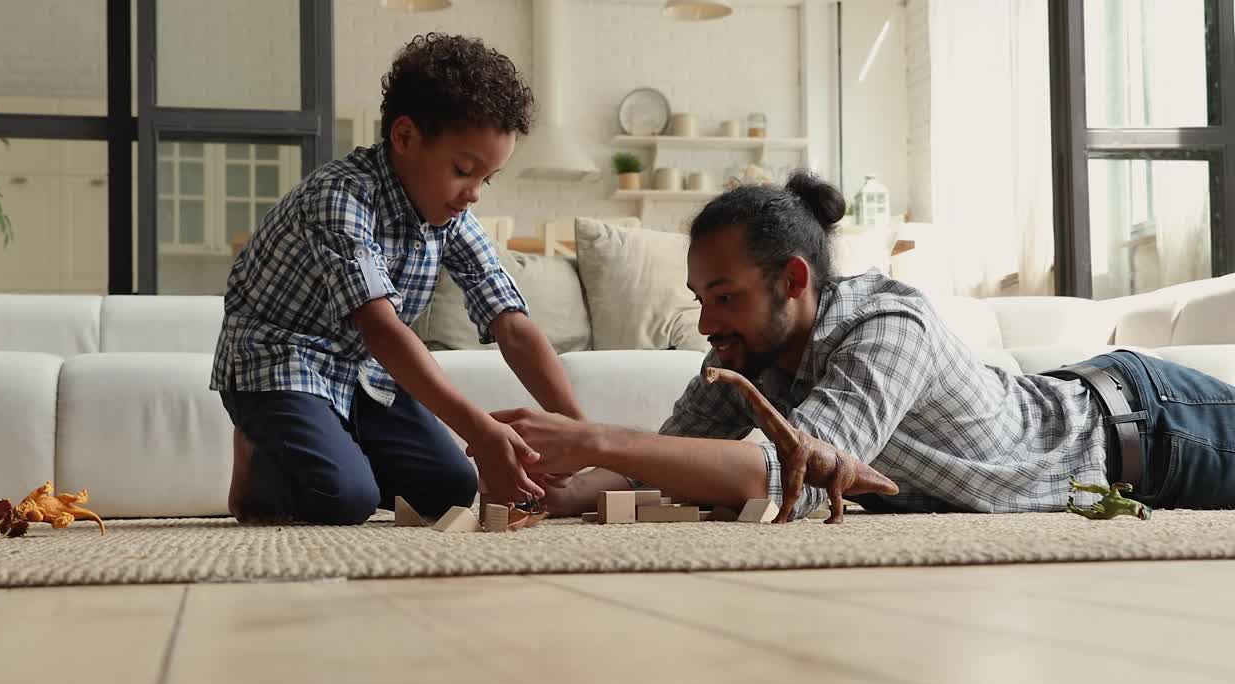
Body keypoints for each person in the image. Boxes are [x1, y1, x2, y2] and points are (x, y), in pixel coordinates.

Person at [492, 172, 1235, 520]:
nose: (708, 324)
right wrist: (559, 487)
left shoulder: (886, 327)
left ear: (793, 280)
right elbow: (670, 463)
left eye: (726, 298)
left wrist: (595, 437)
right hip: (1121, 454)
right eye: (700, 302)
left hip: (1154, 427)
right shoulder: (739, 357)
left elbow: (791, 473)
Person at [210, 33, 583, 525]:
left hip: (363, 375)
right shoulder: (340, 196)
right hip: (280, 360)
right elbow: (382, 329)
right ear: (404, 138)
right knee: (345, 500)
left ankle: (331, 447)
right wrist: (479, 430)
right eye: (463, 170)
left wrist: (584, 435)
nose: (473, 194)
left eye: (485, 179)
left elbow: (511, 325)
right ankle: (261, 461)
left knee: (451, 490)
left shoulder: (450, 216)